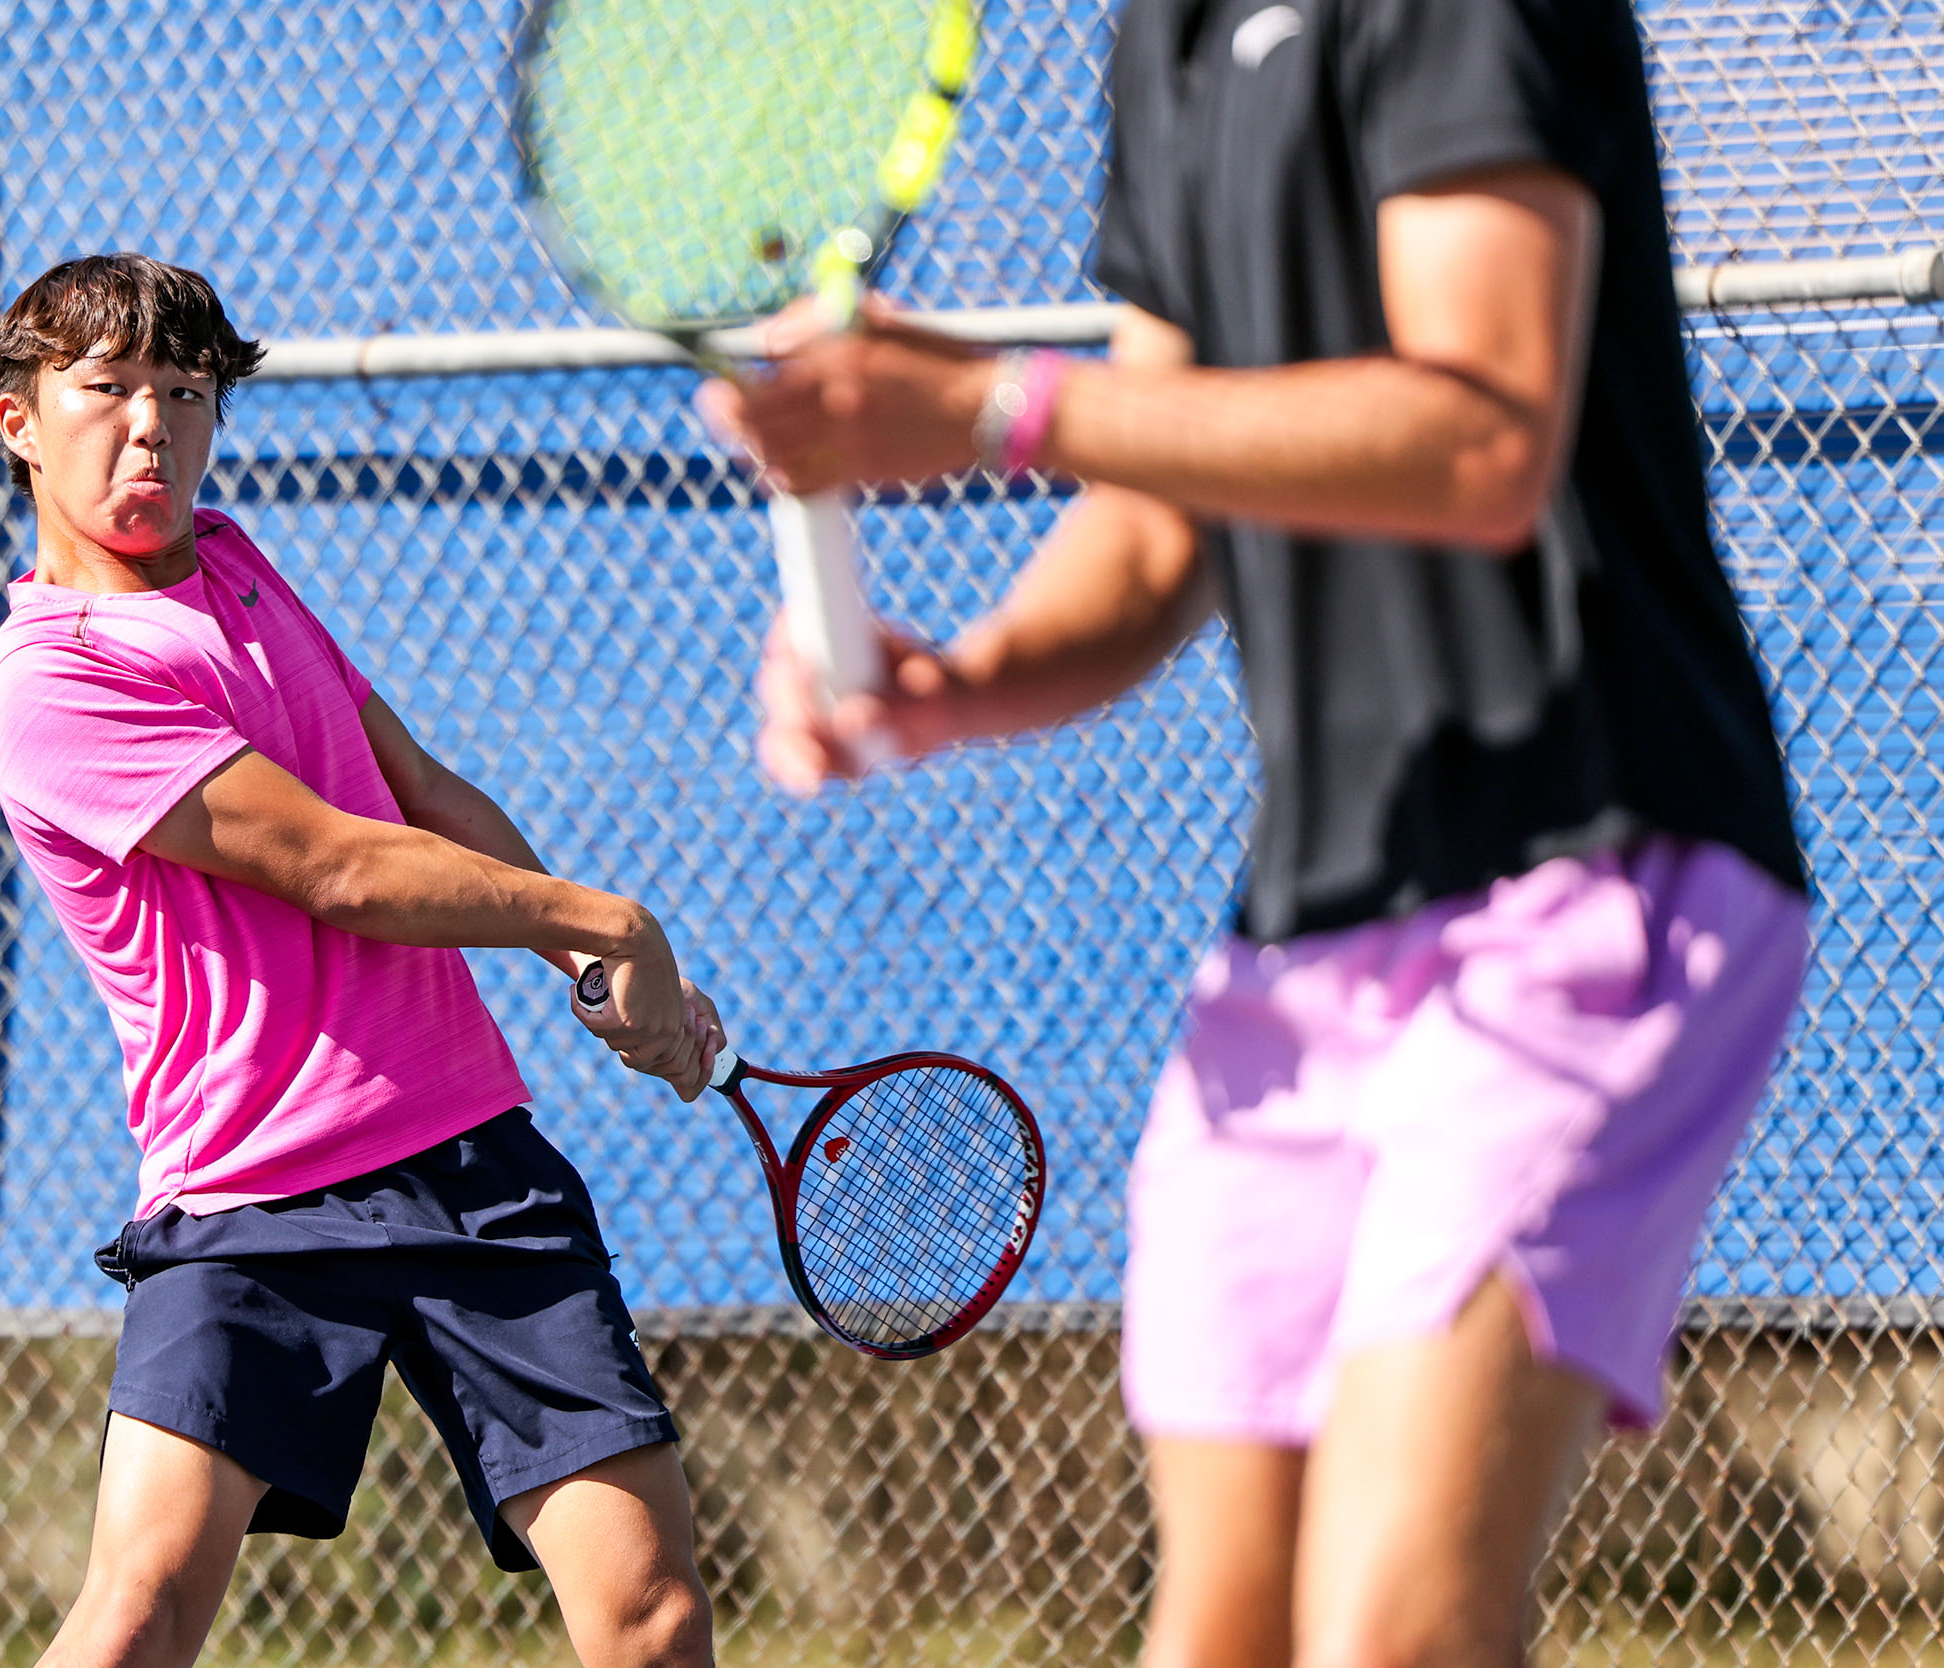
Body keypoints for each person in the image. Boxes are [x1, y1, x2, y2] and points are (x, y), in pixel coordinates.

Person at [700, 1, 1810, 1663]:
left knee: (1387, 1635)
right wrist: (958, 684)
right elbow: (1158, 531)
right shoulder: (1170, 36)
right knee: (1223, 1633)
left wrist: (1004, 406)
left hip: (1595, 866)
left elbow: (1482, 432)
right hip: (1314, 938)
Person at [0, 252, 719, 1668]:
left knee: (651, 1612)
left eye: (183, 394)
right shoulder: (49, 682)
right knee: (139, 1609)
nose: (149, 429)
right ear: (21, 420)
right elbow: (336, 865)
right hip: (255, 1201)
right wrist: (614, 925)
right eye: (106, 390)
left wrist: (587, 957)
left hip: (473, 1167)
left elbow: (411, 791)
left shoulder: (240, 562)